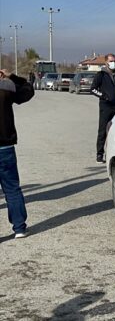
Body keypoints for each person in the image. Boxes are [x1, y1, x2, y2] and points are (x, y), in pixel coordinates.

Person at [0, 68, 34, 238]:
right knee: (12, 189)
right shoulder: (6, 88)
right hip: (5, 147)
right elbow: (28, 91)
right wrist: (12, 77)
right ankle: (19, 228)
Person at [91, 53, 115, 164]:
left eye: (114, 61)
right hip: (106, 107)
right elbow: (93, 89)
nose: (113, 63)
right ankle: (99, 154)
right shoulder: (101, 74)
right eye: (111, 61)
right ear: (106, 62)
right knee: (103, 131)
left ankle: (113, 153)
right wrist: (104, 96)